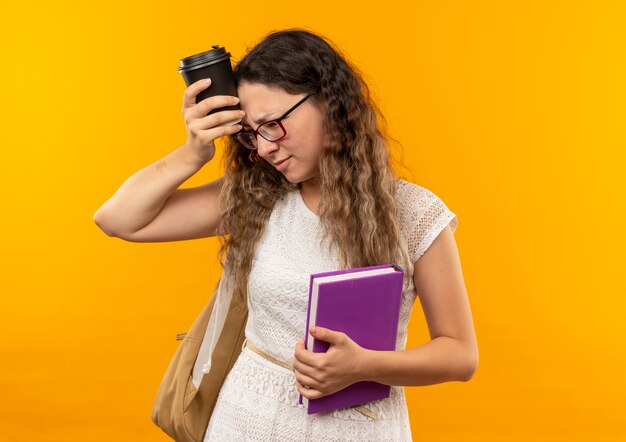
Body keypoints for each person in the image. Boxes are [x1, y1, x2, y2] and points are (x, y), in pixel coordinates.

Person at [94, 29, 478, 441]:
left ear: (329, 104)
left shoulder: (413, 213)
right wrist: (193, 152)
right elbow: (118, 220)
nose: (262, 148)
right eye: (250, 133)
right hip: (245, 420)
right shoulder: (257, 195)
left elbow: (459, 354)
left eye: (273, 125)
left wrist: (364, 365)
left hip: (358, 428)